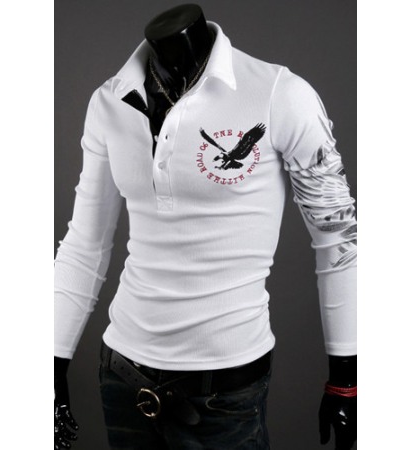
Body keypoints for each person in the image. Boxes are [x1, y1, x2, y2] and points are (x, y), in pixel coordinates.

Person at [54, 4, 357, 450]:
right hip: (122, 380)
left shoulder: (279, 93)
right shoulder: (109, 101)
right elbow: (84, 244)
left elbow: (339, 239)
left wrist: (346, 378)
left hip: (226, 395)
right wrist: (50, 363)